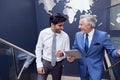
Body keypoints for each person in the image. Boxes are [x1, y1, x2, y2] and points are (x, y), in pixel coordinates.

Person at [67, 14, 120, 80]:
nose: (79, 27)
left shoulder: (102, 35)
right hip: (82, 68)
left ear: (89, 25)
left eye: (81, 24)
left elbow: (111, 51)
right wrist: (72, 57)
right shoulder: (78, 35)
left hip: (96, 69)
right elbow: (75, 49)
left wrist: (117, 52)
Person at [35, 13, 70, 80]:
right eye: (60, 25)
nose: (62, 28)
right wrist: (39, 64)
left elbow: (67, 52)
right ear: (52, 24)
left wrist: (62, 54)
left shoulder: (65, 36)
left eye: (63, 25)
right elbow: (38, 49)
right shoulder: (43, 33)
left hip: (58, 65)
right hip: (45, 63)